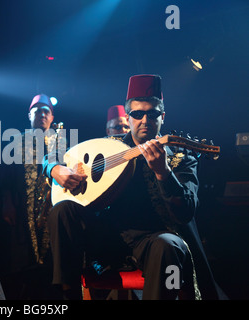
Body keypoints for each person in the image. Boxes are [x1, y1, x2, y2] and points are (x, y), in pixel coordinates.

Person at [44, 74, 225, 300]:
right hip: (111, 239)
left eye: (153, 114)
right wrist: (52, 169)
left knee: (169, 245)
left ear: (163, 117)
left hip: (155, 242)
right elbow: (55, 156)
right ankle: (68, 296)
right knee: (63, 210)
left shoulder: (181, 157)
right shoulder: (110, 147)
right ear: (128, 117)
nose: (145, 120)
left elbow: (185, 212)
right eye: (137, 114)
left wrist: (163, 172)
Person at [0, 94, 64, 299]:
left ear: (52, 117)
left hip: (52, 209)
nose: (42, 115)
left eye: (46, 111)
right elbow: (5, 178)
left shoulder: (61, 142)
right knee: (23, 265)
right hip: (22, 209)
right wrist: (7, 203)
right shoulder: (16, 141)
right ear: (29, 115)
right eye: (38, 111)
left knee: (51, 264)